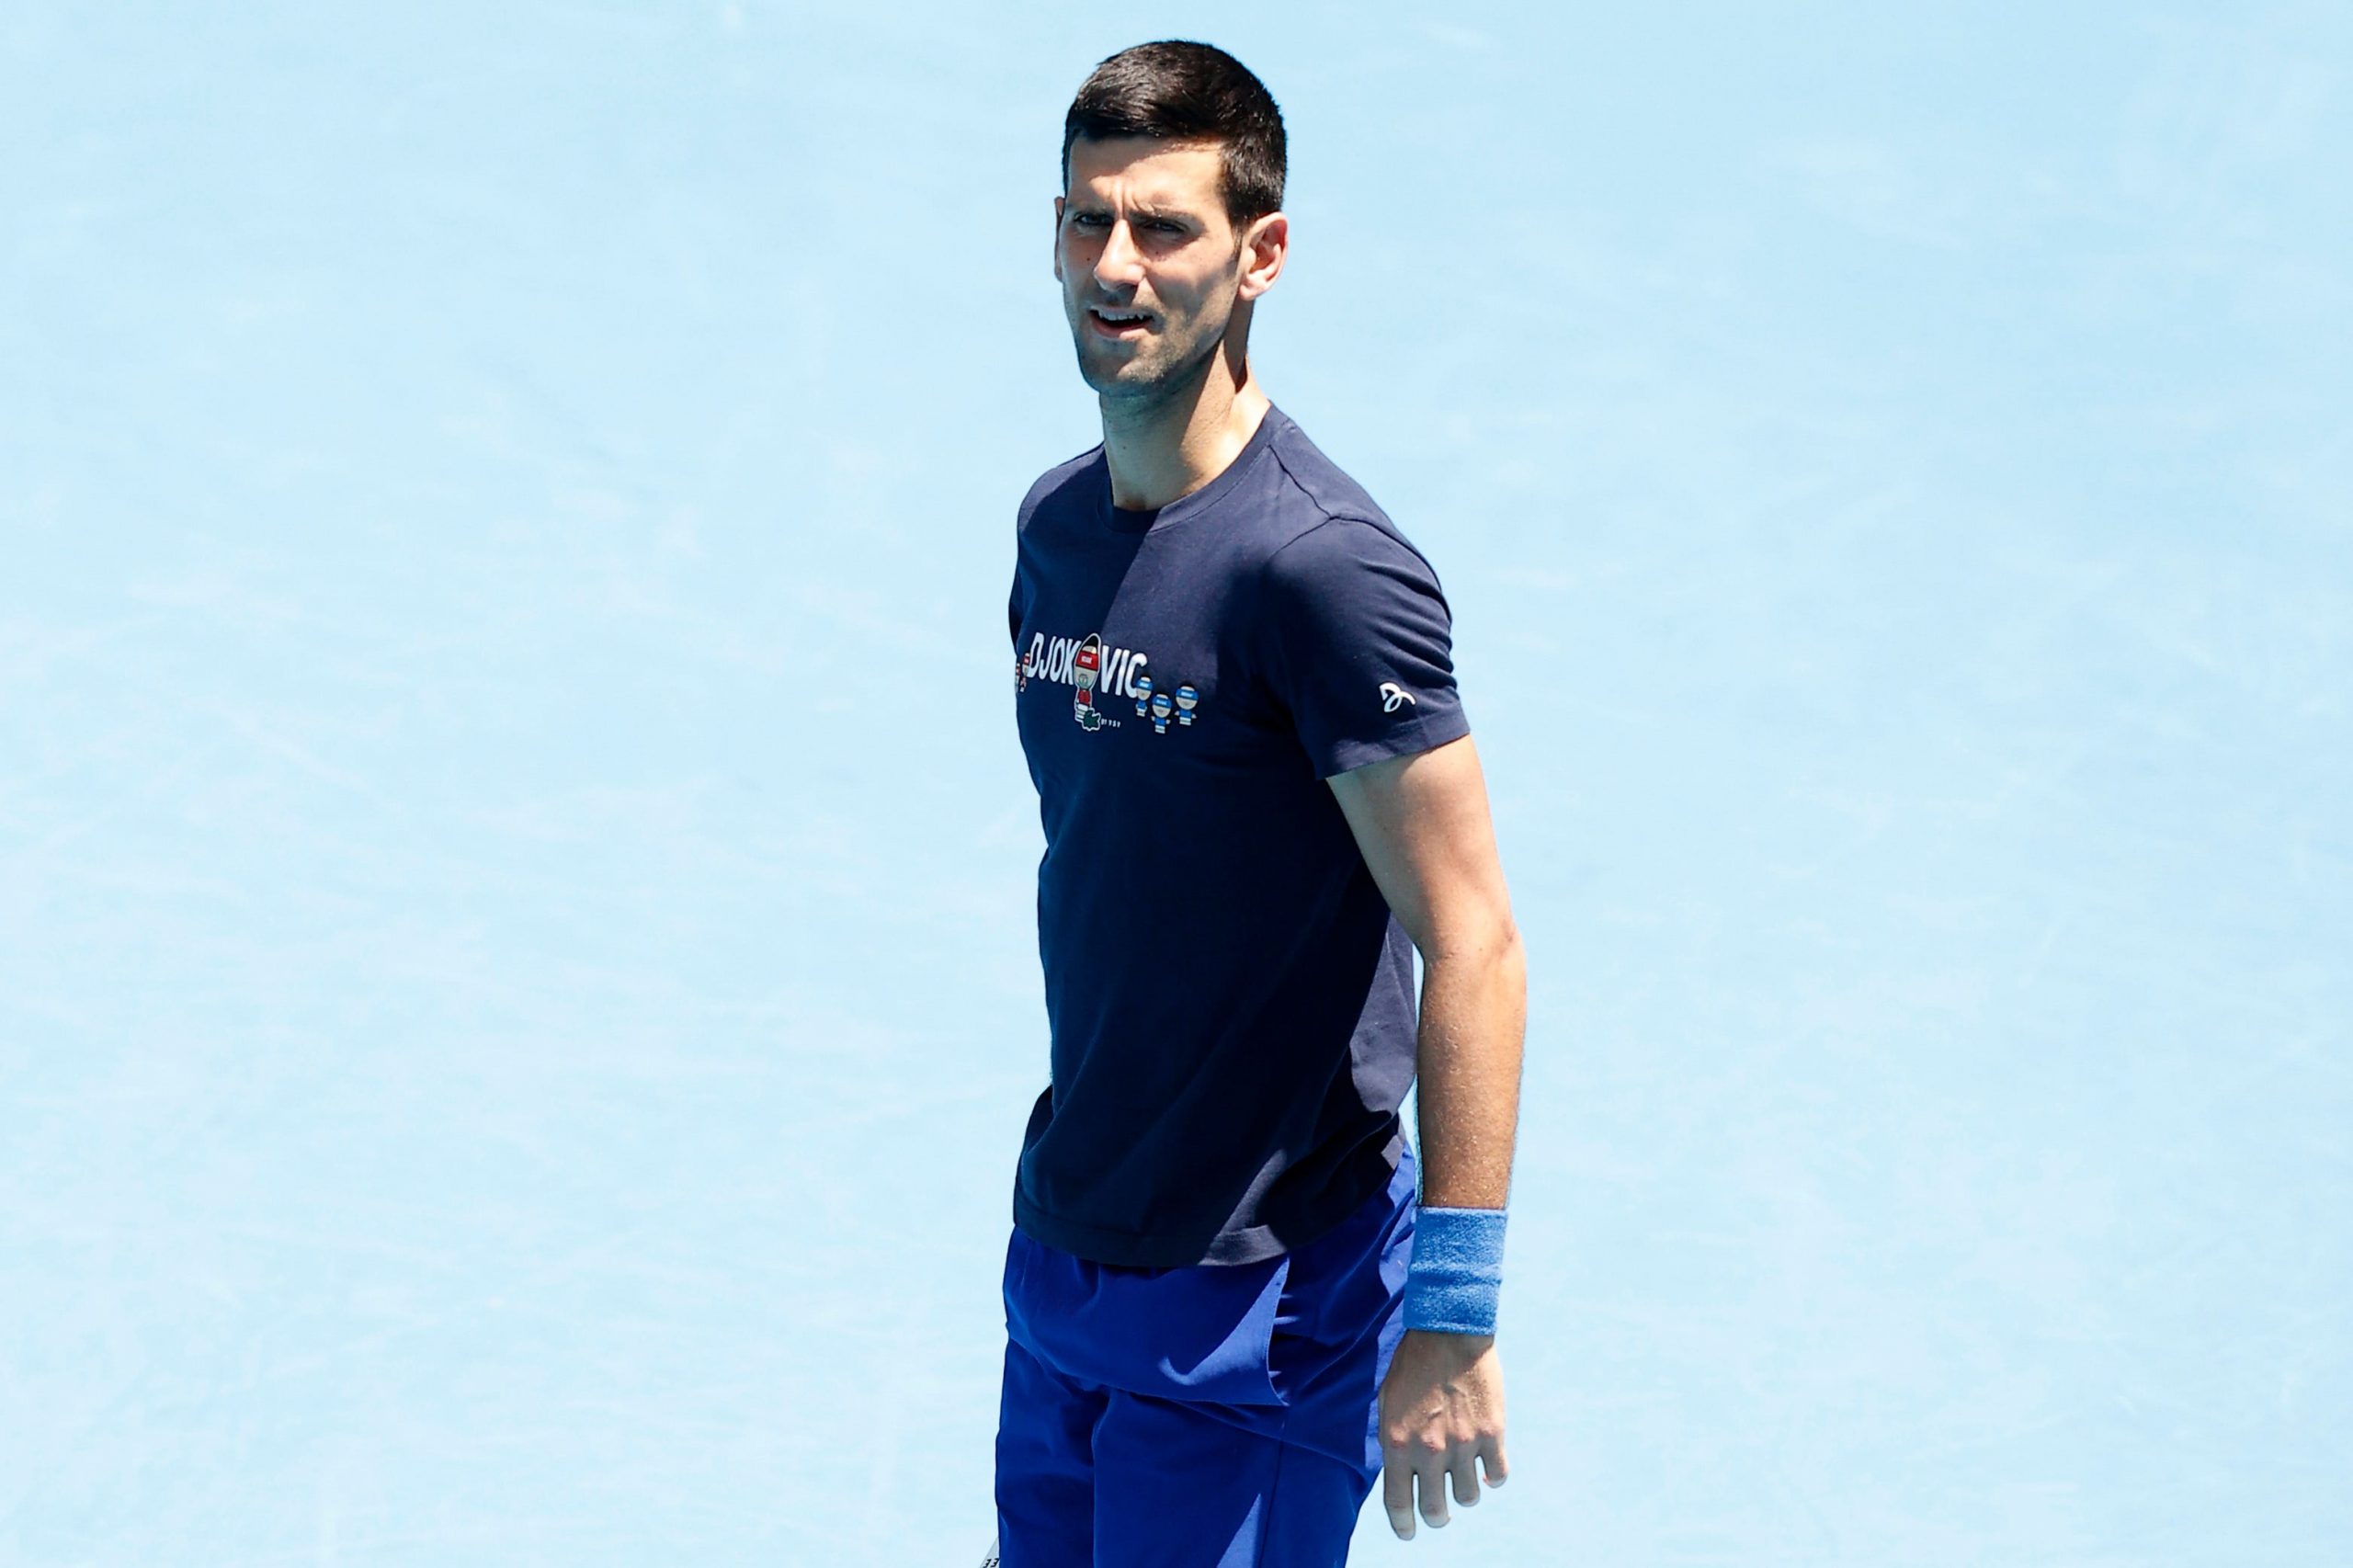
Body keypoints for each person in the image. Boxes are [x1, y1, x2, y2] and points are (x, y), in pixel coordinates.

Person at [995, 38, 1527, 1566]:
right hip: (1072, 1247)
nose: (1116, 264)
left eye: (1164, 226)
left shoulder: (1326, 574)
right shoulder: (1054, 532)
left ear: (1261, 254)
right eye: (1087, 220)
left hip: (1264, 1305)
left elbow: (1474, 941)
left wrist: (1455, 1308)